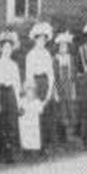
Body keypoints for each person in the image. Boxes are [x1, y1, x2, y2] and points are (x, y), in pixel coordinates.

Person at [25, 22, 56, 151]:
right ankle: (36, 146)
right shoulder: (30, 55)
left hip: (46, 84)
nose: (41, 42)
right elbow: (29, 75)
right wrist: (33, 92)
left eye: (44, 39)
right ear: (35, 40)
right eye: (39, 39)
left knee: (48, 115)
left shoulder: (47, 54)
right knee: (36, 114)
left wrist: (49, 91)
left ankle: (47, 146)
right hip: (35, 84)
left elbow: (50, 74)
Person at [0, 31, 23, 163]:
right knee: (1, 122)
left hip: (10, 94)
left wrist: (19, 101)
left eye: (9, 48)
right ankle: (1, 153)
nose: (7, 50)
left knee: (11, 123)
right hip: (0, 93)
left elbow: (16, 84)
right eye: (5, 48)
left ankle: (11, 153)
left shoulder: (14, 66)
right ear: (1, 50)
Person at [52, 32, 78, 144]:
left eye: (66, 46)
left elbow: (72, 76)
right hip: (60, 86)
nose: (64, 48)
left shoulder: (70, 58)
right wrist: (55, 92)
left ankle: (70, 135)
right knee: (61, 110)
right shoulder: (55, 59)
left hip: (68, 86)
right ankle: (62, 137)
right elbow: (53, 76)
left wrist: (73, 89)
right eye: (61, 46)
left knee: (70, 109)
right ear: (58, 47)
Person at [19, 82, 44, 157]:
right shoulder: (23, 101)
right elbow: (20, 111)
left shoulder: (36, 101)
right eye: (28, 90)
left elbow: (40, 110)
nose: (30, 93)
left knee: (34, 137)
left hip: (33, 124)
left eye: (32, 90)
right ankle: (26, 151)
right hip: (25, 124)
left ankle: (34, 151)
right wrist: (22, 111)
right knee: (25, 137)